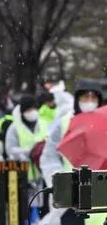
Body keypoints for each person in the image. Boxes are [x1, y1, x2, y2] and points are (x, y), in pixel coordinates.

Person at [40, 80, 106, 225]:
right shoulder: (64, 124)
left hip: (101, 195)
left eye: (93, 98)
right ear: (77, 100)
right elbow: (49, 157)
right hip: (71, 197)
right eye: (85, 97)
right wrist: (59, 181)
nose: (89, 102)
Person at [4, 95, 46, 217]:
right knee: (23, 210)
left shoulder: (43, 124)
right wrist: (29, 152)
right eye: (28, 110)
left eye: (34, 109)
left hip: (42, 175)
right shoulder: (14, 128)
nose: (32, 112)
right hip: (21, 176)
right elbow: (10, 150)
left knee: (41, 209)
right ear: (22, 112)